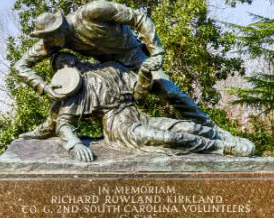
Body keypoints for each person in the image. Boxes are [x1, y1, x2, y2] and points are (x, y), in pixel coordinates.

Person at [14, 0, 213, 140]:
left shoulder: (94, 11)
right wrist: (43, 87)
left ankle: (209, 127)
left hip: (135, 57)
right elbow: (21, 66)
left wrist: (156, 52)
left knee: (168, 90)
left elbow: (140, 19)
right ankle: (51, 126)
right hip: (109, 70)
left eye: (49, 36)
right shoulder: (55, 40)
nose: (47, 43)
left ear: (60, 28)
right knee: (73, 90)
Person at [39, 52, 253, 162]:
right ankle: (223, 148)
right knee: (168, 139)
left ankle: (224, 137)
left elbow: (139, 96)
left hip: (140, 115)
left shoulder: (112, 68)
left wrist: (144, 74)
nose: (67, 64)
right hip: (119, 126)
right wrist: (75, 144)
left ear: (76, 57)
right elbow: (64, 123)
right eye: (61, 65)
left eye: (67, 58)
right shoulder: (76, 89)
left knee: (188, 127)